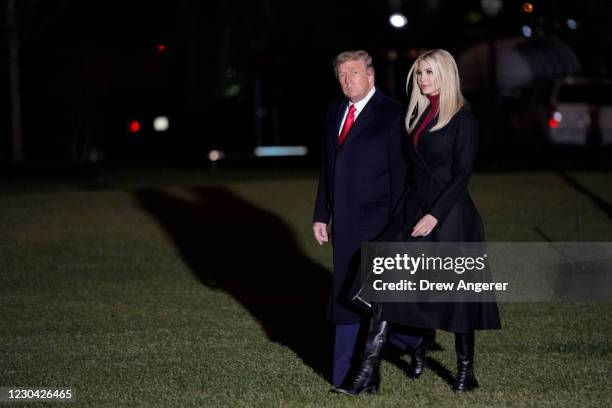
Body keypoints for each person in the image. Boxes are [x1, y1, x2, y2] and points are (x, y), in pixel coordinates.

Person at [334, 49, 501, 396]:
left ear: (445, 75)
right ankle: (368, 370)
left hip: (451, 216)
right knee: (381, 279)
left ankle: (466, 371)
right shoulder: (419, 114)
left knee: (457, 297)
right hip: (414, 211)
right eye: (419, 73)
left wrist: (434, 215)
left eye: (429, 73)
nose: (422, 80)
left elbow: (461, 175)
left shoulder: (462, 118)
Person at [313, 50, 425, 387]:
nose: (348, 80)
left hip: (379, 223)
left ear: (371, 76)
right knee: (346, 297)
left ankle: (372, 367)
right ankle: (408, 342)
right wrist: (322, 214)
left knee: (366, 298)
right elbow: (328, 167)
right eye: (342, 75)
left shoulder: (392, 114)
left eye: (355, 72)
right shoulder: (335, 111)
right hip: (343, 224)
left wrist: (397, 228)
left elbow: (402, 176)